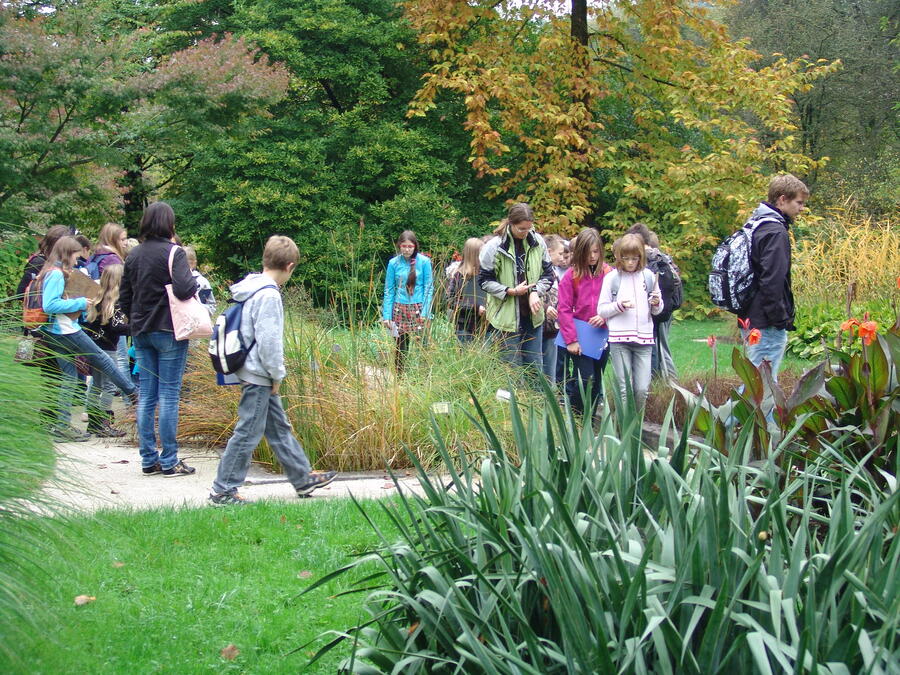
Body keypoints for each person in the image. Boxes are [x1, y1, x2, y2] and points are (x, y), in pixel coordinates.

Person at [209, 235, 337, 505]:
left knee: (279, 428)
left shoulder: (251, 287)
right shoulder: (268, 295)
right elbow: (269, 343)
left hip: (251, 370)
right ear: (290, 266)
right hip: (259, 374)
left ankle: (303, 478)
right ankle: (223, 490)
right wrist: (277, 375)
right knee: (248, 432)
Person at [120, 201, 198, 477]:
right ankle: (169, 460)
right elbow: (185, 289)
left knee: (146, 396)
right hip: (169, 329)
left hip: (141, 332)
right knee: (168, 394)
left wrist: (136, 322)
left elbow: (124, 298)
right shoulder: (174, 253)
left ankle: (148, 459)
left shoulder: (133, 255)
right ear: (169, 224)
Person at [36, 237, 138, 442]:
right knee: (103, 360)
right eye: (75, 256)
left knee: (69, 378)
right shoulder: (56, 274)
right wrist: (80, 302)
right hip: (65, 330)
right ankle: (134, 394)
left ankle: (62, 426)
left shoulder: (51, 272)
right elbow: (49, 305)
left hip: (56, 331)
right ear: (67, 254)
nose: (77, 260)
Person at [737, 174, 808, 379]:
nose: (801, 208)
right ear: (782, 199)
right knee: (762, 385)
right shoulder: (775, 231)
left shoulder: (755, 224)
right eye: (799, 202)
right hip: (765, 321)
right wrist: (779, 319)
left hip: (750, 313)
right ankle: (738, 413)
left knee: (756, 382)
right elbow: (773, 281)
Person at [478, 203, 554, 383]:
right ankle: (512, 407)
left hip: (533, 316)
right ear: (511, 224)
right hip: (506, 318)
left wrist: (535, 291)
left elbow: (549, 275)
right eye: (521, 229)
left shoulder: (538, 242)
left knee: (535, 367)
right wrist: (510, 291)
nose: (525, 232)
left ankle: (537, 407)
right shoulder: (495, 246)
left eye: (528, 228)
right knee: (510, 369)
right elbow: (484, 281)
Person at [597, 234, 663, 409]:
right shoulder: (612, 278)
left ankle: (637, 428)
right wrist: (619, 306)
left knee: (642, 389)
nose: (630, 263)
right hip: (619, 339)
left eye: (634, 258)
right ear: (619, 257)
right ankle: (623, 429)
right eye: (626, 258)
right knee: (624, 389)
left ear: (641, 257)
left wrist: (656, 303)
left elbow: (657, 310)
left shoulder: (648, 277)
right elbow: (602, 309)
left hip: (644, 339)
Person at [557, 228, 612, 416]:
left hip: (603, 335)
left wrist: (605, 316)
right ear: (580, 252)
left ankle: (588, 420)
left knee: (596, 379)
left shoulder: (609, 273)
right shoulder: (571, 275)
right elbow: (563, 309)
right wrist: (571, 340)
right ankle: (576, 420)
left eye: (596, 252)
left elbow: (617, 302)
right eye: (588, 252)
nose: (593, 256)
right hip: (579, 336)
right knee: (584, 379)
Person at [626, 223, 680, 380]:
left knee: (659, 349)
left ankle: (666, 382)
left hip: (656, 311)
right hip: (666, 310)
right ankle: (665, 383)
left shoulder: (649, 258)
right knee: (662, 348)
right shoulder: (662, 256)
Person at [82, 264, 130, 438]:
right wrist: (135, 327)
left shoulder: (97, 299)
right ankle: (103, 423)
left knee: (96, 385)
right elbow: (118, 327)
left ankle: (93, 422)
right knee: (109, 386)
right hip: (108, 350)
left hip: (94, 347)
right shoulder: (115, 303)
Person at [381, 230, 434, 373]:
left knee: (423, 345)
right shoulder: (393, 263)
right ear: (399, 246)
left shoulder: (424, 262)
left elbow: (428, 288)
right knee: (400, 345)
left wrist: (426, 312)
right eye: (404, 246)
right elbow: (389, 290)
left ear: (415, 246)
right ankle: (400, 376)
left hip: (419, 307)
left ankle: (424, 376)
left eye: (410, 246)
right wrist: (387, 315)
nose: (407, 249)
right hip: (399, 307)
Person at [446, 237, 486, 343]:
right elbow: (450, 301)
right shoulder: (459, 276)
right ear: (474, 254)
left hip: (486, 325)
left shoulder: (486, 274)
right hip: (464, 326)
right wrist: (476, 307)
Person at [540, 234, 566, 384]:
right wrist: (546, 308)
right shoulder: (541, 271)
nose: (562, 258)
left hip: (553, 328)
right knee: (543, 368)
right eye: (560, 253)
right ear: (549, 252)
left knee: (551, 369)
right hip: (542, 326)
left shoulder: (555, 272)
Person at [183, 246, 217, 315]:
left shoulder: (202, 281)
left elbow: (212, 306)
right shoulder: (174, 281)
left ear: (194, 263)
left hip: (199, 319)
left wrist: (198, 307)